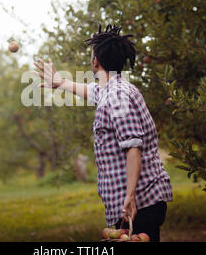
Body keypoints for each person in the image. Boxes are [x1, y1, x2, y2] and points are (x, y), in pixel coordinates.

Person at [34, 24, 173, 242]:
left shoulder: (117, 95)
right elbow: (91, 91)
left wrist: (130, 196)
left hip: (139, 203)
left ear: (95, 60)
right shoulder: (112, 90)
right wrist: (59, 82)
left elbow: (133, 149)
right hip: (137, 202)